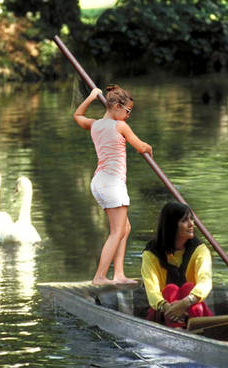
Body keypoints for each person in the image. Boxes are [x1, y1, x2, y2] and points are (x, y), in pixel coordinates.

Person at [73, 85, 152, 285]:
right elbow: (140, 146)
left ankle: (118, 274)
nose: (128, 116)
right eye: (128, 111)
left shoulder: (96, 124)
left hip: (99, 182)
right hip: (112, 184)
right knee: (117, 231)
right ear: (117, 106)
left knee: (124, 227)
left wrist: (91, 97)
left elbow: (77, 115)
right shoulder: (120, 127)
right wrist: (149, 147)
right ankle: (100, 276)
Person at [141, 202, 213, 327]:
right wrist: (169, 308)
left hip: (193, 309)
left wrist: (186, 302)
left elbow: (205, 281)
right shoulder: (151, 253)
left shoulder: (200, 250)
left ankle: (195, 330)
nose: (191, 224)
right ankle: (178, 331)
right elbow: (152, 290)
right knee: (171, 289)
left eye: (191, 219)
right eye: (185, 220)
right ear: (171, 225)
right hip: (164, 311)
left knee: (189, 287)